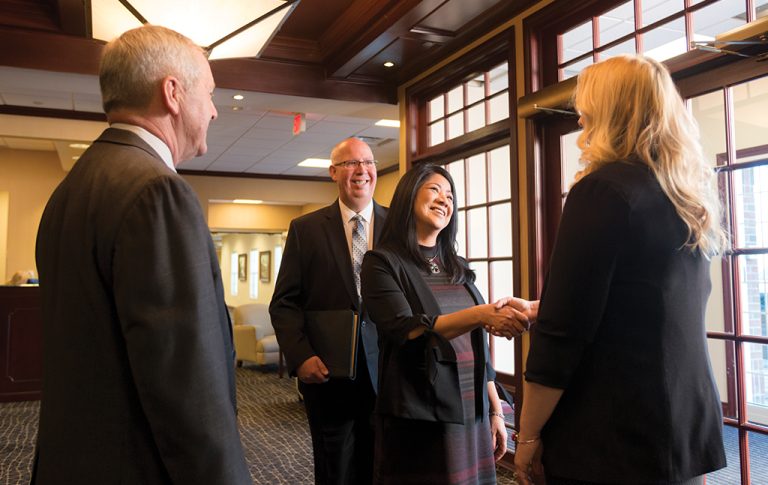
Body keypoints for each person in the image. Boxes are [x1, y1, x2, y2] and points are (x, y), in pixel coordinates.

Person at [33, 25, 251, 484]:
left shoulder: (70, 190)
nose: (214, 111)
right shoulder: (158, 191)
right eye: (209, 94)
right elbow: (187, 384)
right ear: (172, 93)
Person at [512, 54, 727, 485]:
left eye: (586, 107)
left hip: (616, 433)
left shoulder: (601, 190)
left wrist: (529, 436)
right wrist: (548, 305)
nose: (579, 120)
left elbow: (563, 335)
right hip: (683, 425)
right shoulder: (685, 196)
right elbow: (649, 306)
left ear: (610, 109)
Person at [360, 163, 532, 485]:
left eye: (451, 195)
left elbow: (476, 343)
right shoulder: (382, 263)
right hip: (422, 413)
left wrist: (495, 410)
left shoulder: (457, 266)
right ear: (410, 196)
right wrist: (481, 314)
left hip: (472, 408)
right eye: (435, 190)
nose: (445, 200)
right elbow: (407, 328)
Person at [269, 137, 386, 485]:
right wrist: (301, 356)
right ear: (333, 172)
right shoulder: (306, 229)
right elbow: (284, 302)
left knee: (381, 466)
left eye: (368, 162)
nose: (361, 170)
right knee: (334, 468)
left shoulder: (398, 225)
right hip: (328, 375)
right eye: (351, 163)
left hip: (388, 375)